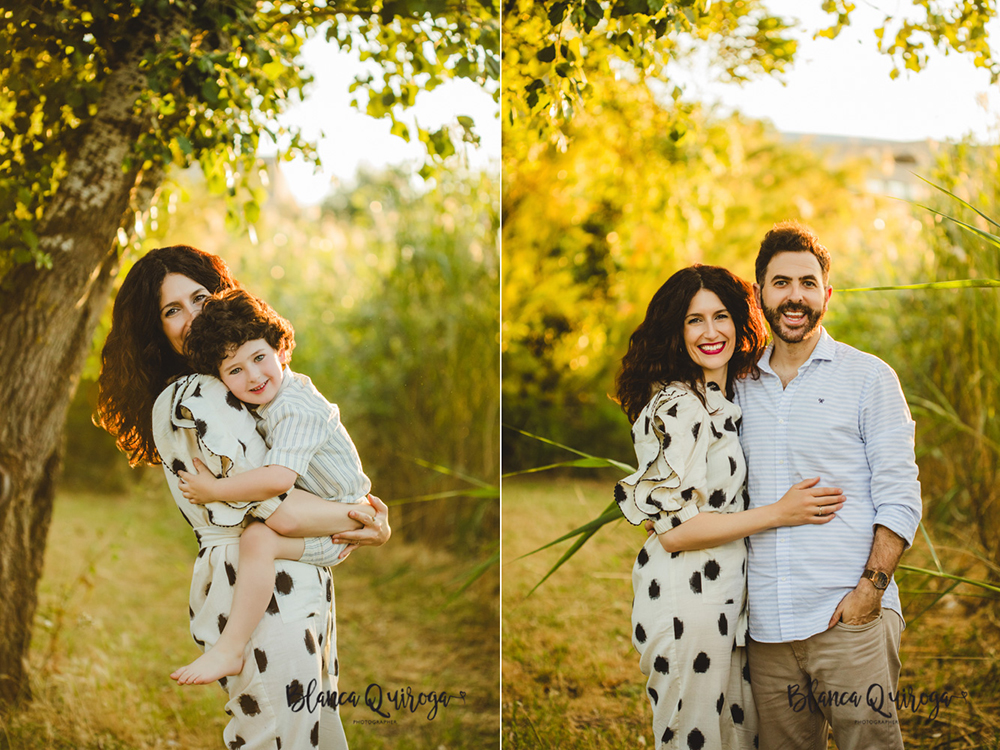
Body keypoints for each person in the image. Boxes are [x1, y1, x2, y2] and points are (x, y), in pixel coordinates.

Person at [96, 245, 390, 749]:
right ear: (154, 328)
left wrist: (360, 514)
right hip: (265, 592)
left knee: (304, 733)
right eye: (172, 310)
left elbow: (295, 478)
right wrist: (361, 518)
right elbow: (281, 508)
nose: (193, 317)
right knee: (282, 736)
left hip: (279, 579)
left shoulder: (237, 384)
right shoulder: (200, 396)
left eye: (200, 298)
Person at [614, 264, 847, 750]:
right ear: (675, 332)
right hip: (687, 600)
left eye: (720, 316)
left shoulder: (720, 400)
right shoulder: (679, 405)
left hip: (727, 601)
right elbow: (675, 532)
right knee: (693, 738)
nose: (711, 331)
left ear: (739, 322)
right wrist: (781, 512)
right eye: (694, 320)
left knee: (735, 738)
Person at [737, 222, 922, 750]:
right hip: (766, 630)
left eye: (808, 283)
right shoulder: (737, 385)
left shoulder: (869, 378)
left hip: (849, 620)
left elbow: (900, 496)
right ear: (760, 293)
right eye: (781, 283)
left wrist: (870, 591)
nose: (795, 296)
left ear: (827, 294)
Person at [169, 288, 372, 685]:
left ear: (280, 350)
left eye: (259, 358)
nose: (253, 376)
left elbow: (279, 478)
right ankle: (231, 649)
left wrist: (214, 490)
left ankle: (230, 649)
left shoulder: (295, 407)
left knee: (259, 539)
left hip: (340, 521)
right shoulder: (267, 401)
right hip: (326, 511)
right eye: (235, 371)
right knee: (260, 536)